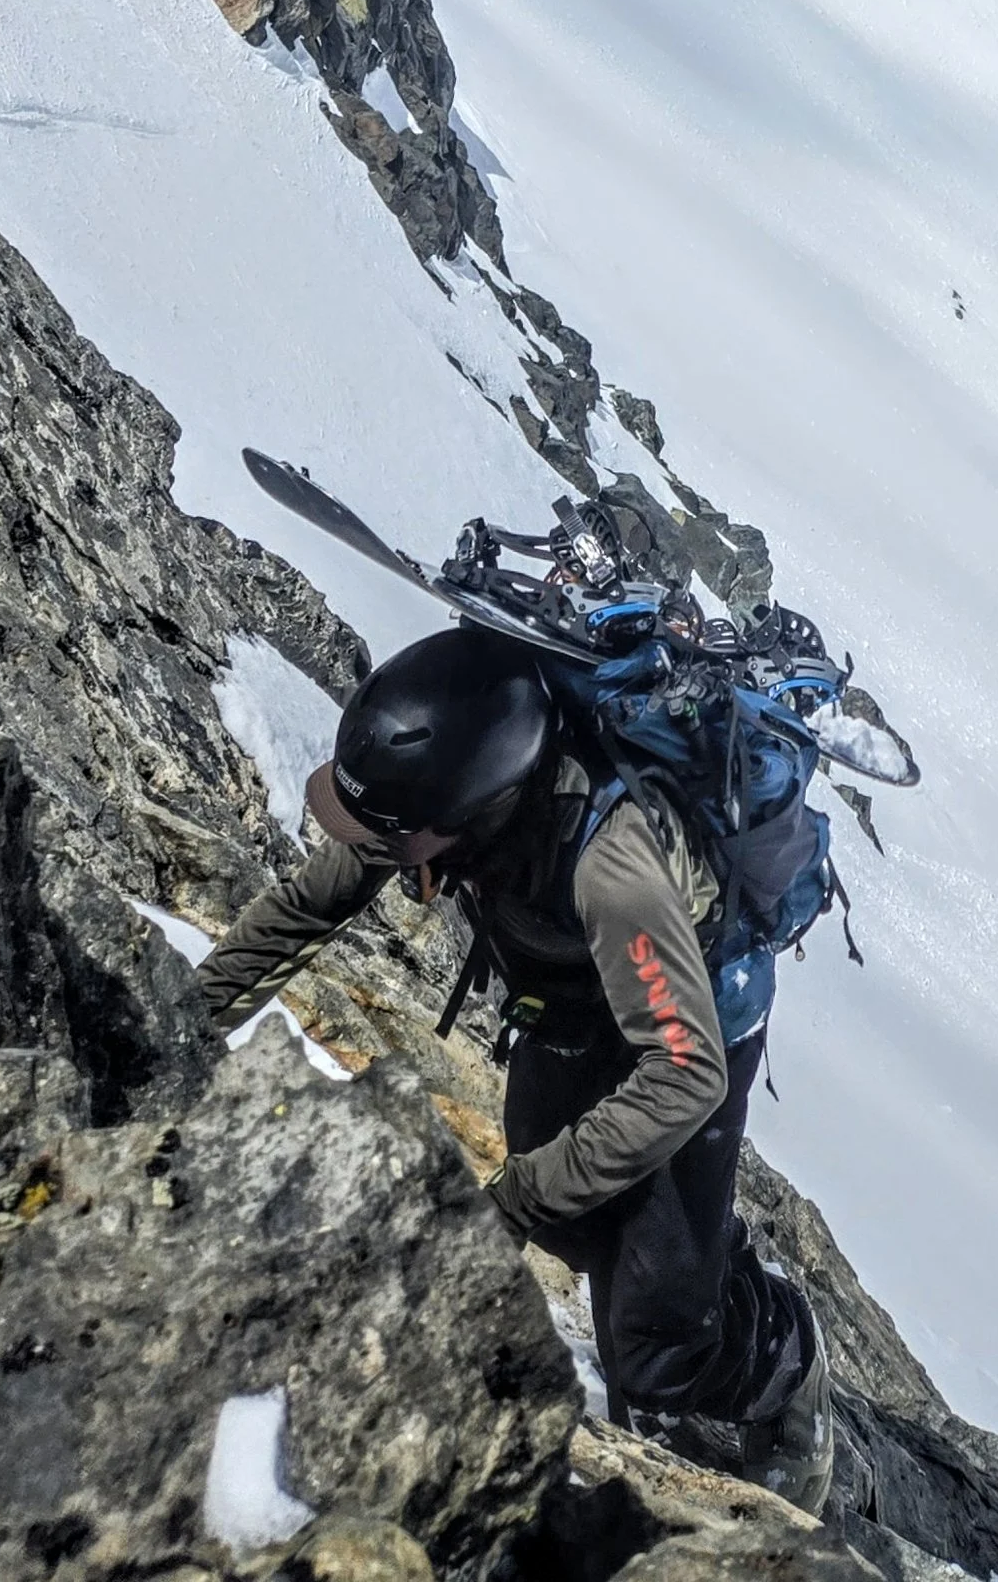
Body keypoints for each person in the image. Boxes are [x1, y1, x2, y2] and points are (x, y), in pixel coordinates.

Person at [195, 625, 832, 1510]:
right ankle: (693, 1264)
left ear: (468, 813)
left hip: (693, 1027)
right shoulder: (434, 808)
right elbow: (308, 906)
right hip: (575, 1001)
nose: (378, 846)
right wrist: (184, 1019)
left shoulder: (612, 867)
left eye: (396, 833)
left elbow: (685, 1076)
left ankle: (784, 1359)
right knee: (577, 1218)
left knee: (652, 1344)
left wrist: (515, 1202)